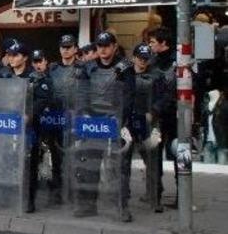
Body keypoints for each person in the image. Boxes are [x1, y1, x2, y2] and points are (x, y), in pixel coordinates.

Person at [76, 32, 135, 221]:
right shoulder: (89, 67)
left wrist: (120, 119)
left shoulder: (125, 68)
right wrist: (84, 113)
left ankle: (121, 206)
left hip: (115, 122)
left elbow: (129, 96)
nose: (103, 49)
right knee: (89, 166)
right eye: (99, 45)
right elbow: (82, 93)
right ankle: (88, 205)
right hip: (93, 123)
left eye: (107, 45)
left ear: (114, 46)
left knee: (120, 168)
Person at [1, 41, 53, 213]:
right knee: (8, 162)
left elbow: (43, 99)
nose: (11, 58)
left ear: (24, 57)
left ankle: (28, 199)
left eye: (15, 55)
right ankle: (10, 195)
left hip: (28, 127)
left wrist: (29, 115)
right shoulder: (5, 75)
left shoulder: (36, 77)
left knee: (28, 164)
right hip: (8, 126)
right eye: (9, 55)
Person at [43, 34, 81, 205]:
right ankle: (58, 190)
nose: (66, 50)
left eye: (69, 47)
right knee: (56, 156)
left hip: (75, 118)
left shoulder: (83, 69)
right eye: (63, 47)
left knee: (75, 156)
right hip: (56, 118)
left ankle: (74, 191)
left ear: (75, 49)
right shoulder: (52, 69)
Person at [128, 43, 164, 212]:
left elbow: (163, 97)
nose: (143, 61)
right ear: (134, 57)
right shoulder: (125, 74)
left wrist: (154, 112)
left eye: (146, 58)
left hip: (150, 123)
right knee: (124, 160)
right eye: (140, 58)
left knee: (152, 160)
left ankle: (154, 197)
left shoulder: (156, 76)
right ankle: (123, 195)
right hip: (129, 121)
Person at [148, 26, 178, 208]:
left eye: (152, 42)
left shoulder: (179, 62)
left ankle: (182, 194)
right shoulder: (151, 62)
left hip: (175, 115)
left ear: (163, 43)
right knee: (154, 154)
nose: (150, 46)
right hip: (157, 116)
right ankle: (156, 192)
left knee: (178, 154)